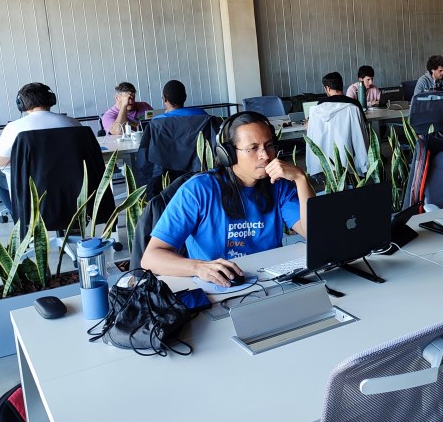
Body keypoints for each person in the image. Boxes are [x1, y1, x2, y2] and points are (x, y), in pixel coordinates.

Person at [141, 111, 314, 288]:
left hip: (271, 283)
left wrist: (300, 179)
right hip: (217, 287)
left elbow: (313, 233)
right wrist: (199, 267)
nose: (265, 156)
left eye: (269, 145)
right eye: (253, 148)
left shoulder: (279, 185)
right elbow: (151, 258)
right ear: (228, 153)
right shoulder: (198, 190)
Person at [0, 82, 80, 213]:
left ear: (21, 104)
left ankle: (22, 219)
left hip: (34, 187)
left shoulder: (14, 128)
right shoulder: (72, 122)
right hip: (72, 185)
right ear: (51, 99)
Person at [306, 72, 369, 177]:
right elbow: (363, 128)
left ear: (328, 88)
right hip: (350, 159)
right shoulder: (354, 104)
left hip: (326, 157)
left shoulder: (319, 106)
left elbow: (309, 127)